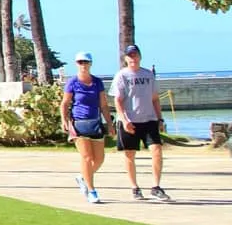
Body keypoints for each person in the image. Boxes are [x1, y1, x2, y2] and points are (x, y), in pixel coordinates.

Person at [112, 45, 170, 201]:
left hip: (149, 119)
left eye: (135, 55)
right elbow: (117, 100)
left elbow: (155, 98)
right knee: (129, 154)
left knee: (156, 150)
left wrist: (160, 118)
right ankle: (134, 188)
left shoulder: (148, 75)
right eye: (129, 56)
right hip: (130, 121)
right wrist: (124, 120)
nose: (133, 58)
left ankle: (156, 187)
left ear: (140, 56)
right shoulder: (121, 76)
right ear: (125, 58)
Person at [63, 52, 109, 204]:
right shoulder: (73, 82)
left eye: (86, 62)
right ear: (76, 64)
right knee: (87, 157)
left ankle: (83, 177)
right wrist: (64, 120)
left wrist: (109, 123)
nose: (83, 65)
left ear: (90, 63)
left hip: (95, 123)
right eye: (80, 62)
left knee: (99, 159)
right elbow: (65, 103)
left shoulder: (97, 82)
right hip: (78, 124)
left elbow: (103, 104)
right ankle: (91, 190)